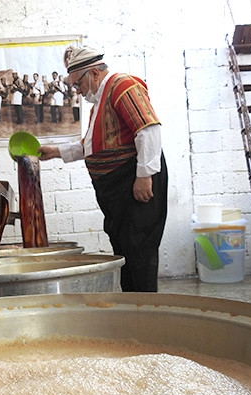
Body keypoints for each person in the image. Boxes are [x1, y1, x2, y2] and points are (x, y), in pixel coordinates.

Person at [38, 47, 168, 292]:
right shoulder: (101, 99)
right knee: (125, 250)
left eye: (78, 84)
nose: (77, 90)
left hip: (132, 183)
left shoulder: (122, 85)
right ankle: (133, 306)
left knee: (138, 249)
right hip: (118, 190)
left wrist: (144, 176)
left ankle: (146, 312)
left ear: (94, 74)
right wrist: (55, 152)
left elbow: (148, 129)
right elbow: (92, 146)